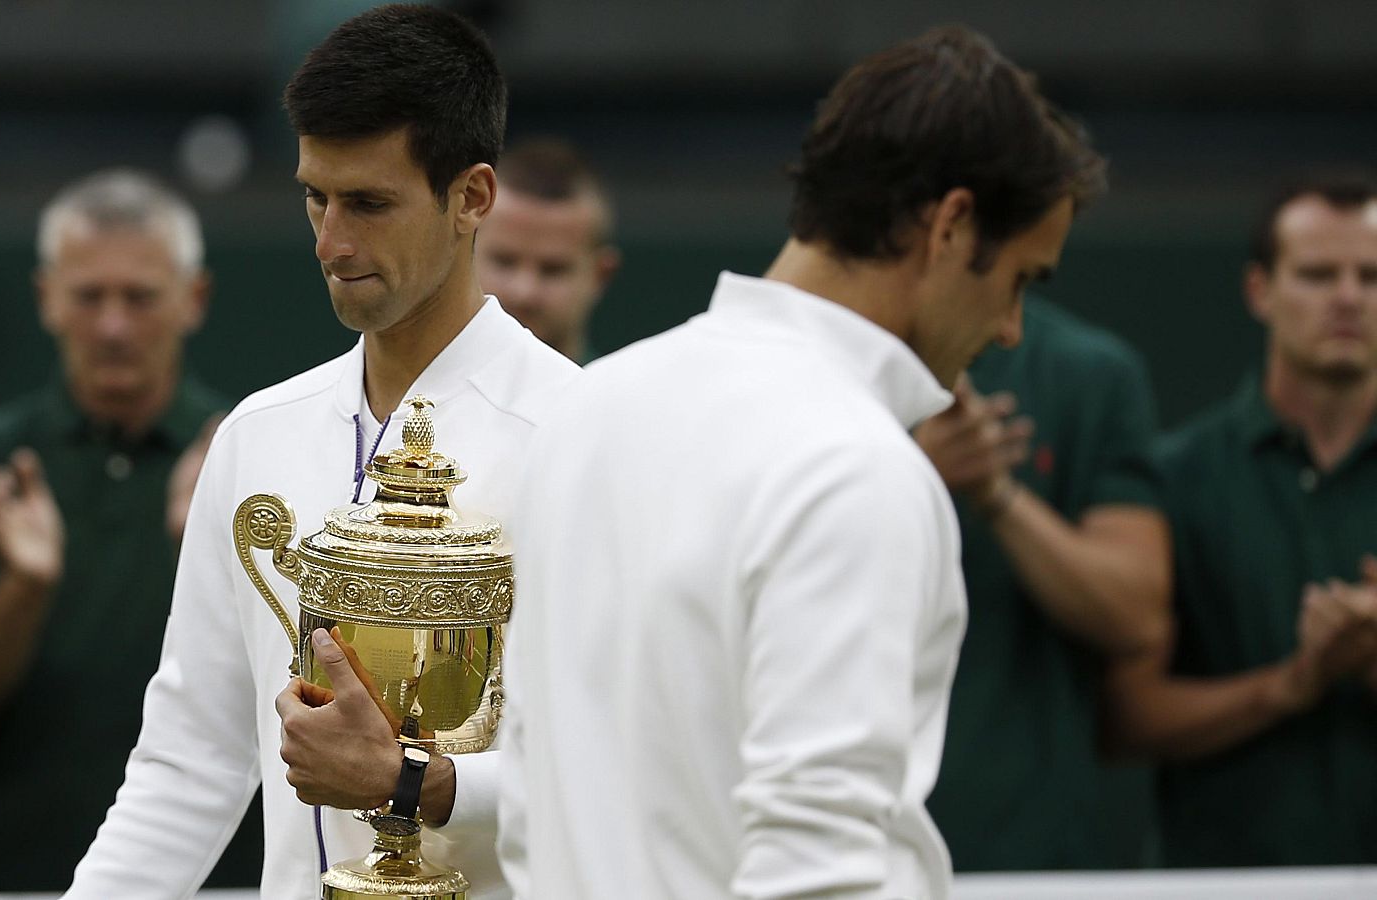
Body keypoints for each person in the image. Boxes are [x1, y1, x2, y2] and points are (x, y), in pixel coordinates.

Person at [499, 26, 1106, 900]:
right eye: (1018, 278)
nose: (1010, 328)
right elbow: (815, 870)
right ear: (952, 225)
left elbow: (529, 803)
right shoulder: (855, 467)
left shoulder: (589, 406)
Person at [66, 7, 578, 898]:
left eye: (369, 203)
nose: (331, 242)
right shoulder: (256, 435)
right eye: (316, 197)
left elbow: (625, 764)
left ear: (473, 198)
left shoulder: (583, 434)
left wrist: (418, 782)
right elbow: (191, 762)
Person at [0, 169, 261, 891]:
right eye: (89, 297)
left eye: (140, 297)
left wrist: (204, 552)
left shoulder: (254, 455)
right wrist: (23, 586)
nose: (113, 325)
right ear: (46, 297)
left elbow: (296, 686)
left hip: (213, 874)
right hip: (7, 869)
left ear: (194, 298)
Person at [1105, 171, 1377, 867]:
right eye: (1318, 274)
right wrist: (1290, 685)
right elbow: (1122, 718)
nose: (1348, 297)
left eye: (1371, 276)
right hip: (1227, 879)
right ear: (1261, 290)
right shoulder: (1172, 477)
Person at [917, 296, 1170, 871]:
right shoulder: (797, 370)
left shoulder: (1087, 371)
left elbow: (1137, 619)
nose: (1012, 327)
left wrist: (998, 494)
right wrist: (912, 469)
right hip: (841, 841)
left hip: (1031, 852)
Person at [476, 137, 619, 363]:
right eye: (504, 262)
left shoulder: (620, 398)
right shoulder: (412, 393)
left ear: (600, 275)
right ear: (462, 255)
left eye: (552, 270)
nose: (524, 292)